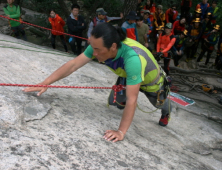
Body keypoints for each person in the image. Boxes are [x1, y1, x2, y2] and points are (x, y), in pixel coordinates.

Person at [23, 23, 172, 142]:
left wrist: (121, 132)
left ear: (113, 46)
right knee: (116, 103)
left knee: (159, 104)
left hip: (151, 81)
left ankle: (167, 109)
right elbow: (74, 64)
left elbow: (132, 100)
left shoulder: (132, 59)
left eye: (97, 50)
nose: (93, 54)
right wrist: (46, 82)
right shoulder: (100, 45)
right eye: (92, 47)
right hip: (127, 74)